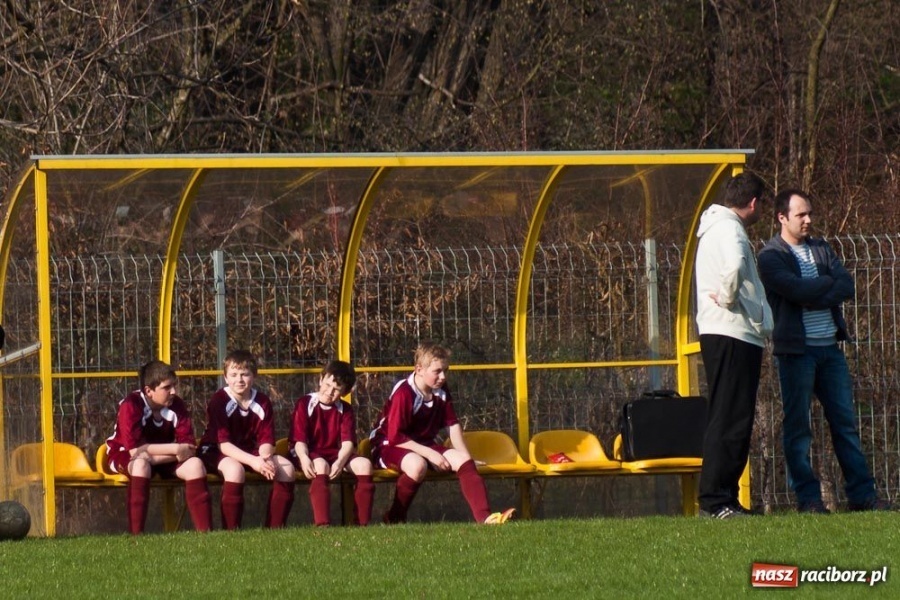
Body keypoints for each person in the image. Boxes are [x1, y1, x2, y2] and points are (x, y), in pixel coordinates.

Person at [758, 189, 892, 513]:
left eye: (809, 214)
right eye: (801, 214)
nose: (808, 220)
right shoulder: (771, 256)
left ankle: (862, 496)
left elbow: (846, 285)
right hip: (796, 353)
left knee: (845, 424)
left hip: (830, 351)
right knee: (798, 428)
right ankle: (808, 499)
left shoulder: (821, 248)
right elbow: (794, 290)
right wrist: (822, 289)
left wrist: (812, 293)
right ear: (782, 217)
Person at [694, 171, 773, 519]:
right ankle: (715, 500)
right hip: (732, 332)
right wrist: (728, 298)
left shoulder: (717, 227)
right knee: (730, 416)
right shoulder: (730, 229)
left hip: (728, 332)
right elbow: (738, 264)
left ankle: (725, 498)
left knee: (732, 415)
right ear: (753, 203)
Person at [369, 342, 515, 525]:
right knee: (417, 466)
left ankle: (486, 519)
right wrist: (431, 454)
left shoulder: (441, 390)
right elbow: (395, 437)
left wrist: (466, 458)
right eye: (437, 371)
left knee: (463, 461)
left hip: (421, 445)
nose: (443, 376)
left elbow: (452, 426)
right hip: (388, 445)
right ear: (419, 369)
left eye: (446, 370)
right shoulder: (404, 393)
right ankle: (394, 518)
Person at [105, 360, 212, 534]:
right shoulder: (130, 405)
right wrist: (176, 450)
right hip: (124, 455)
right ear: (149, 391)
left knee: (196, 465)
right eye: (167, 387)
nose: (173, 392)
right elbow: (136, 451)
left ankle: (207, 535)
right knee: (140, 465)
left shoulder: (177, 405)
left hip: (158, 457)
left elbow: (190, 447)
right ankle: (136, 537)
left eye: (174, 386)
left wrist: (168, 454)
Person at [198, 350, 296, 529]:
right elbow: (224, 445)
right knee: (235, 470)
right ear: (225, 378)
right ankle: (231, 531)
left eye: (245, 374)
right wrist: (254, 462)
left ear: (254, 376)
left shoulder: (263, 401)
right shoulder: (219, 400)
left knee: (286, 468)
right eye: (233, 375)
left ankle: (275, 529)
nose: (239, 380)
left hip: (251, 452)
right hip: (216, 450)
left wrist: (265, 459)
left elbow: (267, 440)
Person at [289, 360, 375, 526]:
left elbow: (348, 443)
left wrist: (339, 462)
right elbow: (299, 440)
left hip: (336, 454)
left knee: (365, 465)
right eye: (327, 384)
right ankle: (322, 524)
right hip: (310, 452)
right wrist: (304, 458)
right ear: (321, 379)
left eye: (336, 389)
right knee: (320, 465)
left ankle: (362, 524)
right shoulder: (305, 403)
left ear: (344, 392)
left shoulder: (345, 409)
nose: (329, 391)